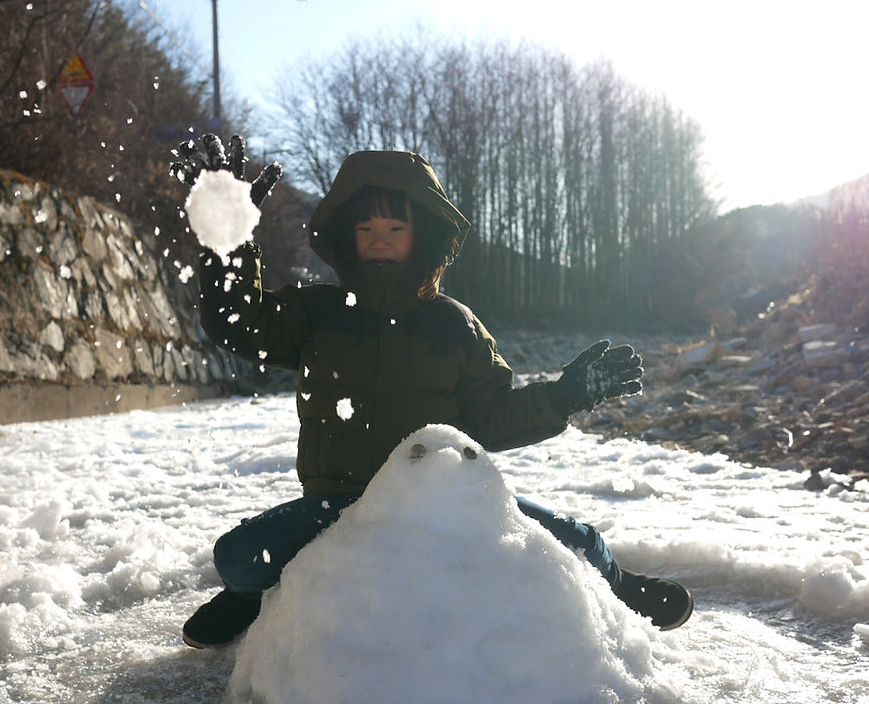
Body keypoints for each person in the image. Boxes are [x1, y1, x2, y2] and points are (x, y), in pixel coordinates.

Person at [170, 136, 694, 648]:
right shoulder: (315, 313)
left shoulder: (455, 325)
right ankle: (251, 596)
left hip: (444, 499)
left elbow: (490, 417)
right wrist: (227, 242)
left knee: (582, 541)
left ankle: (619, 589)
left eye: (395, 227)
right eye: (365, 227)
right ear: (344, 235)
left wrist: (564, 396)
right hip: (338, 503)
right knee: (238, 558)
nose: (379, 239)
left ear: (423, 236)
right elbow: (238, 323)